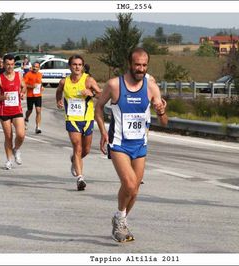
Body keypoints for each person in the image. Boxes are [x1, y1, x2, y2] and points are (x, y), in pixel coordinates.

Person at [94, 47, 168, 242]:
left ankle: (121, 219)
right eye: (137, 65)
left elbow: (164, 122)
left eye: (144, 65)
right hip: (118, 143)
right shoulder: (114, 85)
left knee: (134, 189)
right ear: (130, 64)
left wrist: (161, 111)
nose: (140, 69)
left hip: (140, 144)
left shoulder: (151, 87)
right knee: (129, 183)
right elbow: (98, 107)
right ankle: (120, 218)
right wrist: (102, 131)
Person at [55, 55, 102, 191]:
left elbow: (101, 94)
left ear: (83, 66)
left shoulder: (88, 80)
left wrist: (91, 94)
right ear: (70, 66)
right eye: (74, 64)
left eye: (79, 65)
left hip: (87, 119)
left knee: (86, 150)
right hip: (72, 119)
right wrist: (58, 100)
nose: (77, 67)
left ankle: (74, 161)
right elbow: (59, 91)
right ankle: (80, 178)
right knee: (77, 146)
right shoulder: (64, 82)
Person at [0, 54, 26, 170]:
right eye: (8, 64)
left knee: (21, 134)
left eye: (12, 64)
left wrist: (22, 93)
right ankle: (9, 159)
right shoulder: (0, 78)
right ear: (4, 64)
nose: (10, 67)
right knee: (8, 136)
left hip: (17, 109)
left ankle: (16, 149)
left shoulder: (19, 75)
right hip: (4, 111)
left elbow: (24, 87)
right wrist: (2, 97)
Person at [24, 61, 43, 133]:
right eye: (34, 66)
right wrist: (31, 86)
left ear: (39, 68)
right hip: (30, 95)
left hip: (38, 95)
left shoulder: (40, 74)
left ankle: (38, 127)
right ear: (32, 67)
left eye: (37, 67)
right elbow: (24, 84)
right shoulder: (28, 74)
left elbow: (40, 82)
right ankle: (26, 118)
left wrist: (42, 86)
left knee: (38, 110)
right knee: (30, 110)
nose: (35, 68)